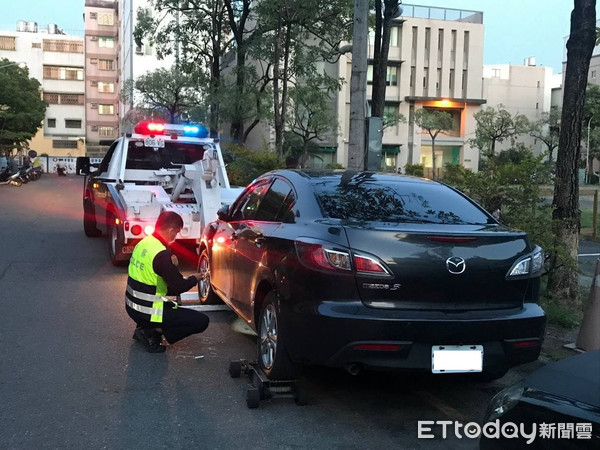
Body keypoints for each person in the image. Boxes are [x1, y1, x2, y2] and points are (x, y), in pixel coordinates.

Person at [125, 211, 209, 353]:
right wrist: (195, 278)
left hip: (132, 307)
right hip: (148, 311)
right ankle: (152, 333)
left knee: (171, 301)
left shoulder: (144, 243)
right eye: (176, 233)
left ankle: (143, 327)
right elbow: (178, 286)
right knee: (201, 321)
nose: (175, 237)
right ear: (171, 230)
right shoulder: (163, 254)